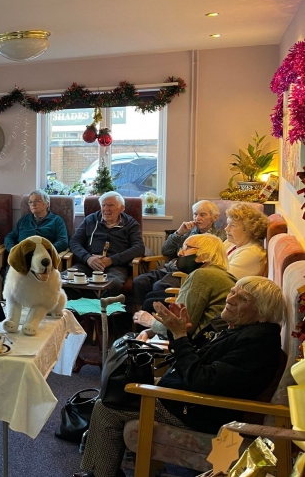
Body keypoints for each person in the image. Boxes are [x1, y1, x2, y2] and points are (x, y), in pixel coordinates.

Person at [78, 276, 285, 477]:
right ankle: (99, 470)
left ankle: (101, 473)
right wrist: (177, 332)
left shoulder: (258, 342)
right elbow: (195, 358)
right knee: (114, 392)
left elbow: (202, 379)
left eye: (243, 299)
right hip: (189, 400)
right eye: (233, 292)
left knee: (107, 408)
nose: (230, 299)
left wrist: (180, 337)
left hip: (199, 411)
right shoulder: (240, 329)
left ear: (263, 313)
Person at [133, 234, 235, 340]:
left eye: (187, 247)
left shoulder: (202, 275)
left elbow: (183, 327)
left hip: (201, 345)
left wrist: (150, 321)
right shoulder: (222, 275)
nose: (179, 253)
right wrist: (152, 330)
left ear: (204, 255)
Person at [132, 200, 226, 304]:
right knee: (139, 281)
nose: (197, 218)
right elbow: (166, 251)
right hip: (169, 269)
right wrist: (179, 233)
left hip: (186, 274)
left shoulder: (220, 238)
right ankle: (138, 314)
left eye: (202, 215)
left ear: (215, 217)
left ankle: (156, 315)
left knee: (159, 286)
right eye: (195, 214)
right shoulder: (187, 231)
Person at [67, 191, 145, 298]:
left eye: (110, 205)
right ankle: (81, 311)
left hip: (115, 267)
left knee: (113, 285)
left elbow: (139, 248)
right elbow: (74, 242)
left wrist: (112, 260)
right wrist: (88, 258)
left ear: (121, 208)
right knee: (66, 280)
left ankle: (99, 312)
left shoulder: (131, 224)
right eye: (103, 205)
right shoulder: (91, 220)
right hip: (87, 264)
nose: (106, 209)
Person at [5, 190, 68, 254]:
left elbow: (63, 242)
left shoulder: (57, 220)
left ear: (47, 204)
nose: (33, 204)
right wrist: (12, 248)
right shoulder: (24, 219)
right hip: (21, 257)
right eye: (30, 202)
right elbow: (10, 237)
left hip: (43, 258)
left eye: (37, 201)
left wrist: (46, 251)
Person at [223, 203, 268, 279]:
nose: (226, 229)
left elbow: (222, 278)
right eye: (228, 224)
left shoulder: (251, 254)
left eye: (233, 225)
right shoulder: (231, 242)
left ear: (248, 229)